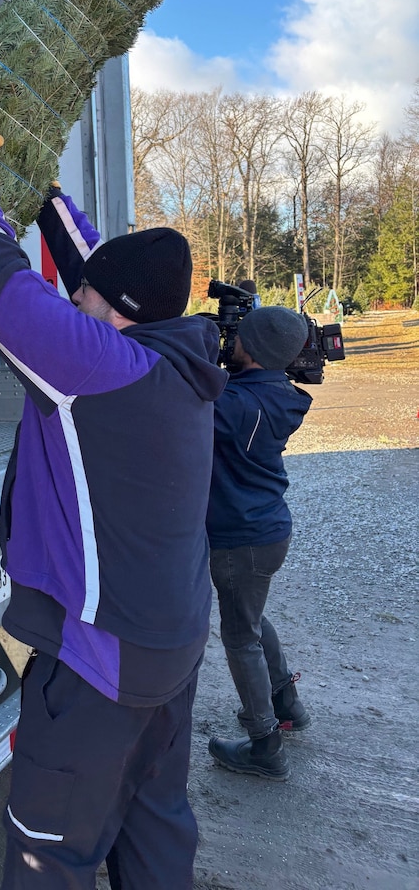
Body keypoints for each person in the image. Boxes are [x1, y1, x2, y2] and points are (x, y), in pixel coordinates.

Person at [0, 124, 227, 889]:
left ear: (114, 314)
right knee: (155, 832)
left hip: (102, 667)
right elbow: (93, 271)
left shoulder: (98, 372)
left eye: (84, 297)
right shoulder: (179, 355)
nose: (74, 297)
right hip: (175, 645)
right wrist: (47, 198)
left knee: (49, 855)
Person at [206, 306, 313, 781]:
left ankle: (264, 742)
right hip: (268, 531)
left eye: (238, 338)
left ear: (252, 349)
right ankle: (285, 701)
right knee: (251, 616)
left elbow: (181, 401)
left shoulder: (234, 406)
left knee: (239, 635)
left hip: (239, 538)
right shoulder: (278, 395)